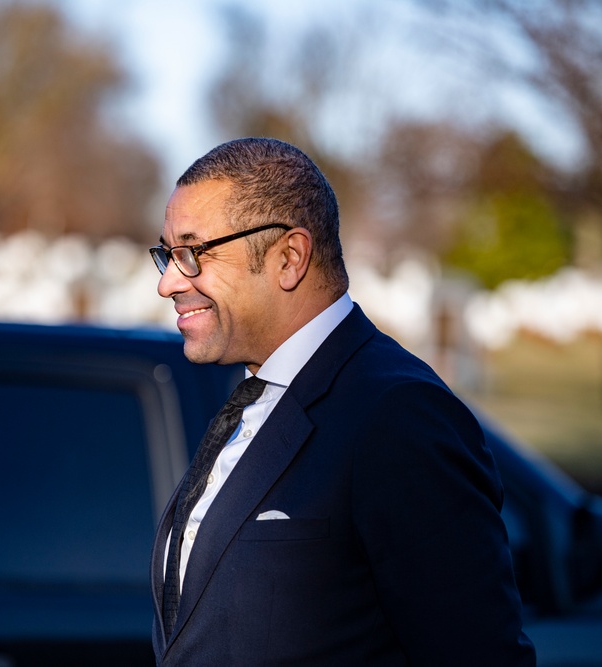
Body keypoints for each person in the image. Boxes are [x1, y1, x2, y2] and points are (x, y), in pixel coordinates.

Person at [147, 137, 535, 666]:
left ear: (289, 258)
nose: (170, 281)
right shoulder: (250, 400)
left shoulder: (398, 415)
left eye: (193, 253)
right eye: (168, 255)